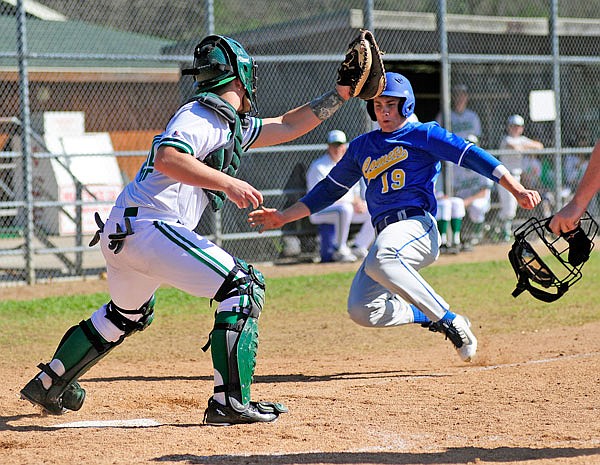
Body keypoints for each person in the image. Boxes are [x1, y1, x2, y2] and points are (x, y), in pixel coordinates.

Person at [20, 34, 354, 426]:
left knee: (124, 315)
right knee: (243, 286)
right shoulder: (202, 114)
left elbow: (288, 123)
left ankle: (49, 383)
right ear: (244, 75)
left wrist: (341, 95)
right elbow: (167, 157)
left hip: (126, 231)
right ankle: (229, 403)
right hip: (150, 224)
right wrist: (226, 183)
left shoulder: (228, 123)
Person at [249, 73, 541, 363]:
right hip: (387, 238)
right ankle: (428, 316)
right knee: (362, 309)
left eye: (391, 104)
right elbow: (328, 190)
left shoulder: (423, 134)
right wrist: (284, 216)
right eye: (378, 105)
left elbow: (472, 155)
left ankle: (450, 320)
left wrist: (515, 188)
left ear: (407, 104)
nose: (384, 111)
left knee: (382, 257)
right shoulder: (362, 147)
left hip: (418, 228)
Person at [306, 129, 374, 262]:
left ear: (345, 146)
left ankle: (359, 246)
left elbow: (354, 192)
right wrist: (351, 202)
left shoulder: (347, 165)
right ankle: (340, 249)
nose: (337, 148)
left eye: (340, 145)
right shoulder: (319, 166)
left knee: (373, 209)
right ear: (328, 146)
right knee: (345, 209)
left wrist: (358, 202)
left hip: (344, 208)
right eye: (334, 145)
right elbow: (319, 196)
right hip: (319, 211)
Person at [498, 114, 544, 241]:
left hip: (517, 177)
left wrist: (524, 145)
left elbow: (539, 146)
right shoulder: (506, 139)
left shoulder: (521, 139)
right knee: (509, 208)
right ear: (508, 127)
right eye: (513, 126)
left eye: (518, 126)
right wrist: (525, 146)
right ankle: (502, 232)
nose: (515, 129)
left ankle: (501, 230)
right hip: (505, 177)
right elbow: (516, 147)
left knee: (512, 207)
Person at [549, 140, 600, 235]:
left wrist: (578, 203)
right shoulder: (570, 159)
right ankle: (561, 224)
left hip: (584, 191)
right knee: (564, 195)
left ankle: (594, 224)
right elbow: (570, 178)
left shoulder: (588, 160)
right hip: (570, 187)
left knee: (592, 200)